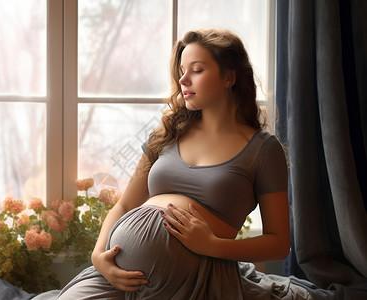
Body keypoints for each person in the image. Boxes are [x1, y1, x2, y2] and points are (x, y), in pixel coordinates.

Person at [56, 28, 290, 299]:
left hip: (195, 280)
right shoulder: (167, 133)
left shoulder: (262, 149)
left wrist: (213, 245)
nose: (183, 79)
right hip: (116, 278)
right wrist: (98, 256)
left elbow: (278, 244)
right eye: (181, 70)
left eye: (197, 70)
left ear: (229, 76)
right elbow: (126, 205)